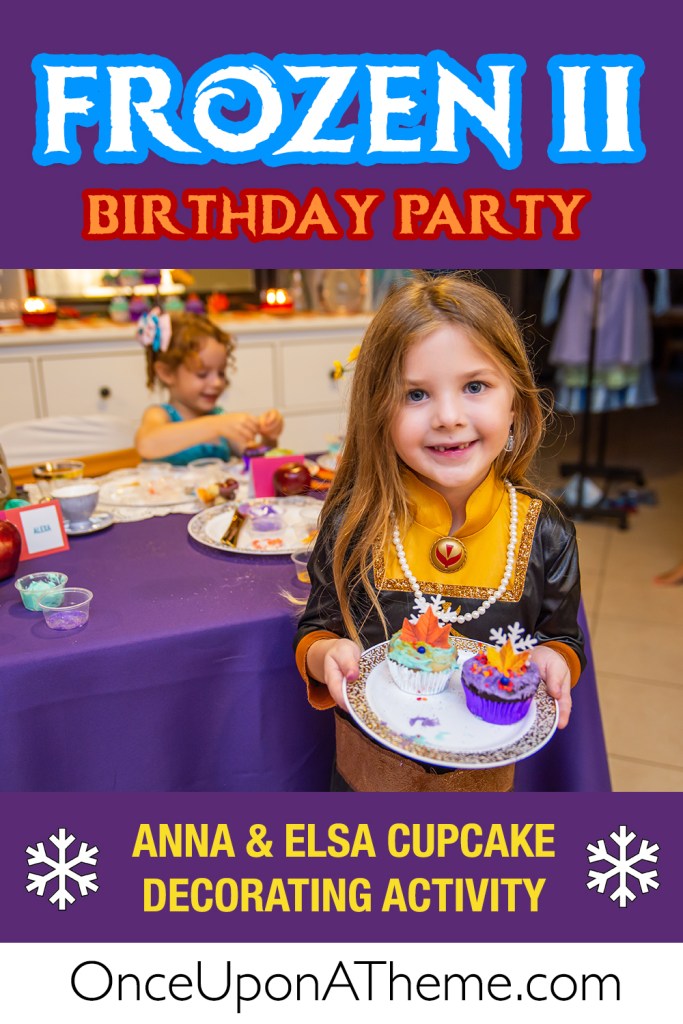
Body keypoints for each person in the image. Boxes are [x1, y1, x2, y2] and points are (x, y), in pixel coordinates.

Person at [294, 272, 585, 793]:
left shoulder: (546, 532)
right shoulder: (353, 523)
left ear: (514, 401)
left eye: (475, 386)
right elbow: (318, 625)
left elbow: (560, 636)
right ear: (378, 411)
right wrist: (324, 655)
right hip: (364, 779)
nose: (449, 417)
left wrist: (554, 658)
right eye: (416, 395)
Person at [134, 308, 284, 464]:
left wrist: (268, 437)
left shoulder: (220, 418)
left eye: (221, 373)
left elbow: (256, 461)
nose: (217, 383)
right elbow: (146, 444)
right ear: (167, 373)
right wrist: (216, 425)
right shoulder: (159, 414)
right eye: (202, 374)